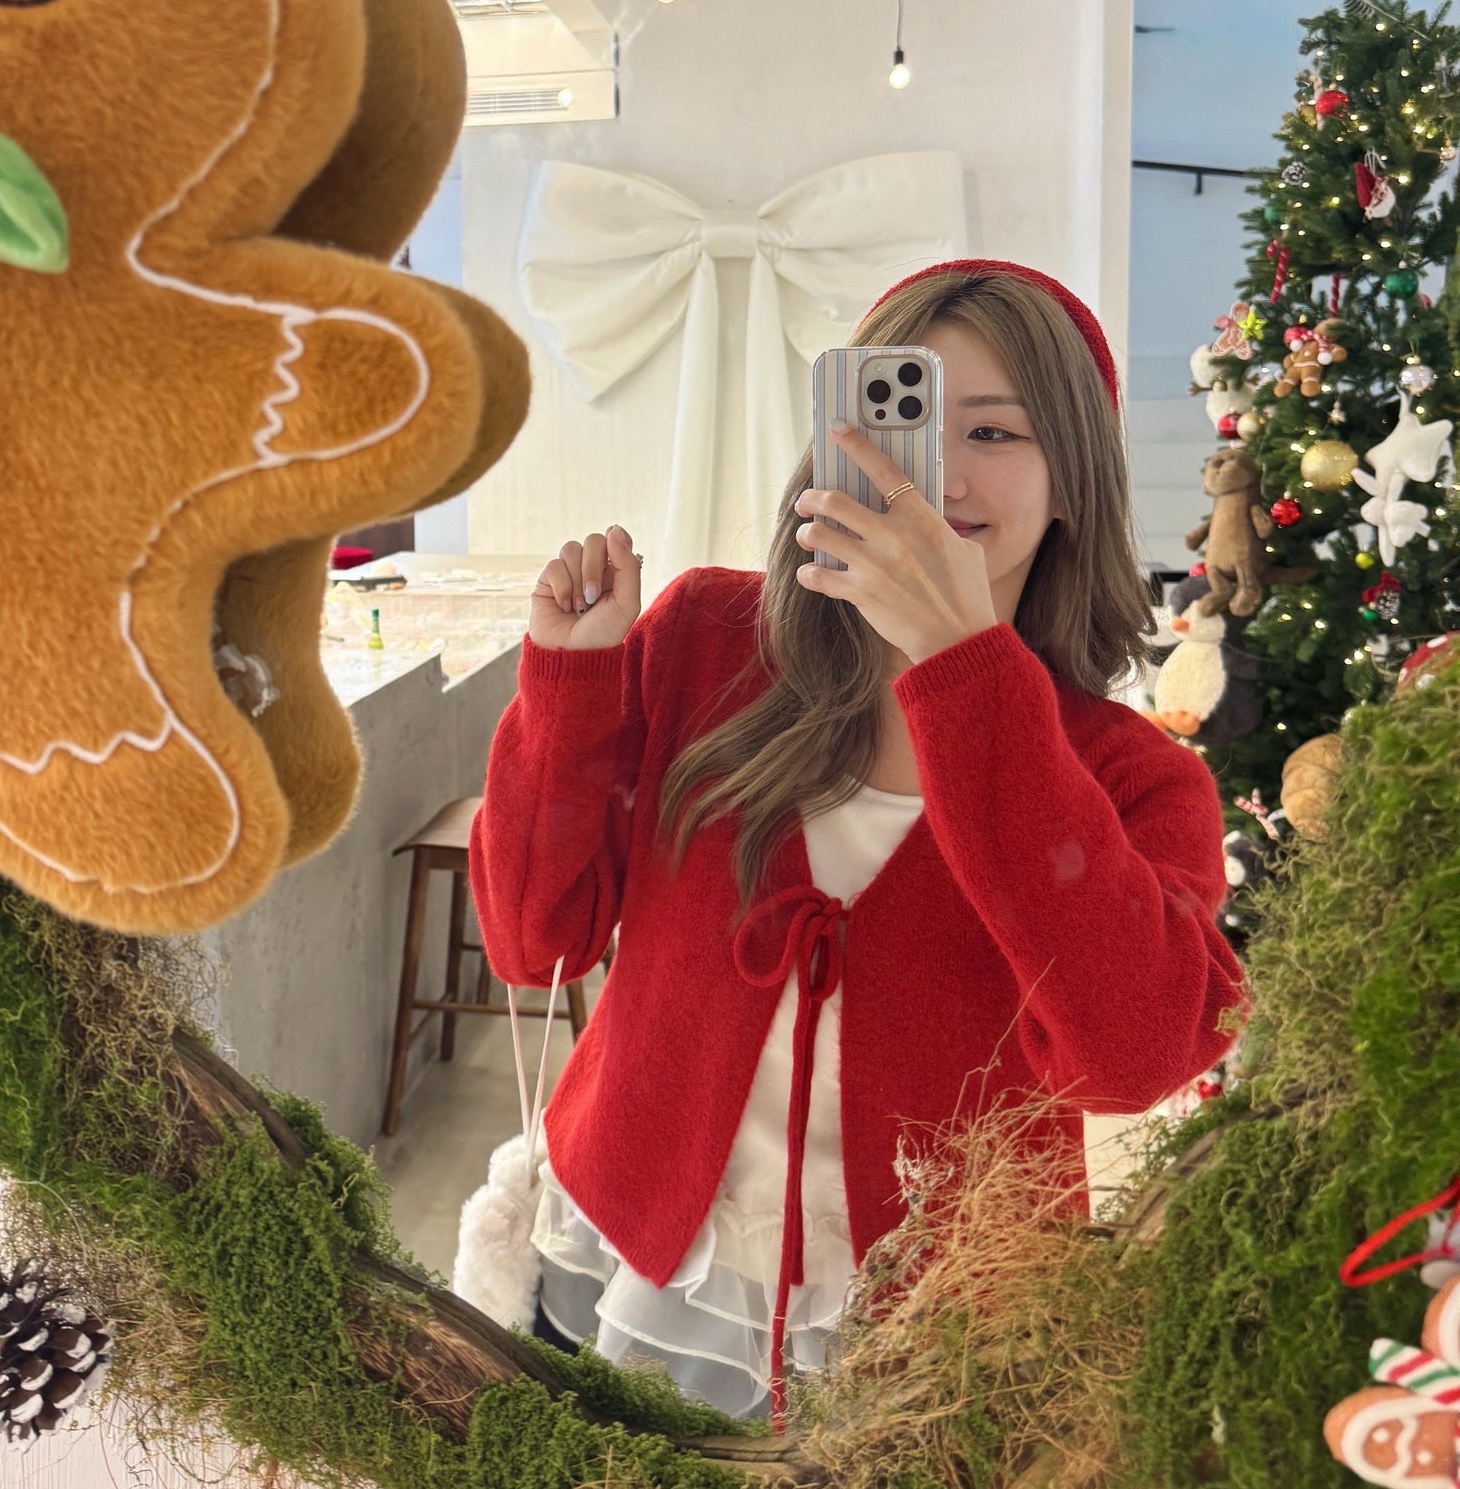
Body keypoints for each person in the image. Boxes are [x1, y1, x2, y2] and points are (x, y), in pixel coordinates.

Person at [469, 259, 1246, 1427]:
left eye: (994, 432)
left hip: (941, 1336)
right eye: (903, 422)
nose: (937, 476)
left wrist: (965, 670)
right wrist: (569, 690)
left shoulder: (1134, 780)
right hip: (631, 1256)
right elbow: (535, 942)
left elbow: (1130, 1060)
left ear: (1071, 481)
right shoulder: (703, 642)